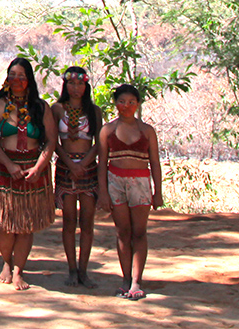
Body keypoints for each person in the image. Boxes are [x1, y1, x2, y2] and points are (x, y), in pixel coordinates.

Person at [0, 57, 56, 290]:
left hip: (33, 169)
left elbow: (51, 141)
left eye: (21, 76)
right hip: (4, 168)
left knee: (26, 223)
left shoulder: (41, 107)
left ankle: (18, 270)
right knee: (4, 223)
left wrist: (38, 168)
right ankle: (6, 262)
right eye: (12, 75)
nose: (16, 80)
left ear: (29, 80)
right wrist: (8, 164)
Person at [97, 84, 163, 301]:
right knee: (122, 232)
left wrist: (158, 191)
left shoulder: (147, 131)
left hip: (141, 183)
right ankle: (125, 279)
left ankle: (136, 280)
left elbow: (154, 162)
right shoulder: (107, 131)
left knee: (139, 232)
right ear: (115, 104)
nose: (126, 106)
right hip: (115, 182)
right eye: (122, 102)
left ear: (138, 104)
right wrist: (103, 193)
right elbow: (102, 163)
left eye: (131, 102)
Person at [53, 66, 103, 288]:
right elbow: (53, 141)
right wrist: (69, 162)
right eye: (71, 84)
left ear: (86, 86)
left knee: (88, 222)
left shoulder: (94, 111)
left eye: (80, 84)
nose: (76, 88)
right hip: (65, 168)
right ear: (65, 85)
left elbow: (99, 143)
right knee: (69, 221)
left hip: (88, 168)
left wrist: (83, 163)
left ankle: (84, 270)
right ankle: (71, 269)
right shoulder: (56, 109)